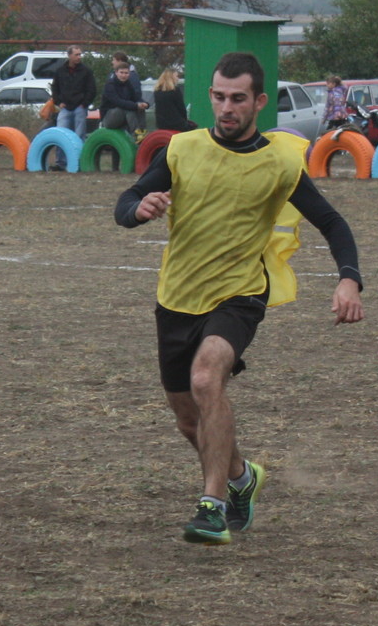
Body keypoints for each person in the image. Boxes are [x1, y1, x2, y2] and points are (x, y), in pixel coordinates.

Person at [115, 51, 364, 545]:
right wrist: (139, 208)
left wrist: (349, 279)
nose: (227, 108)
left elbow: (331, 222)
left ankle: (212, 506)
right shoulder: (182, 148)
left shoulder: (280, 162)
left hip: (239, 294)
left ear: (259, 102)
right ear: (210, 97)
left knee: (206, 378)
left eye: (238, 99)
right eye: (220, 97)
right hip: (177, 296)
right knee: (189, 421)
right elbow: (126, 202)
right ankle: (241, 477)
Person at [49, 46, 98, 139]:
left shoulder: (86, 71)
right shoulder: (60, 71)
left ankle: (79, 149)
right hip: (65, 107)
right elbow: (55, 87)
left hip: (80, 107)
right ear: (69, 55)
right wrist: (58, 102)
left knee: (79, 134)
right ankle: (62, 149)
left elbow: (92, 89)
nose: (79, 57)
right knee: (61, 133)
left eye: (80, 54)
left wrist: (84, 104)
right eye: (76, 55)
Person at [100, 59, 148, 134]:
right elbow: (118, 102)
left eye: (126, 73)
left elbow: (136, 98)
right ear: (116, 73)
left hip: (122, 116)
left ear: (129, 74)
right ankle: (136, 132)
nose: (123, 75)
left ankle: (142, 131)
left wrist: (144, 104)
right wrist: (135, 105)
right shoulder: (110, 85)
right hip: (108, 118)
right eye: (121, 72)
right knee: (127, 108)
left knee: (139, 108)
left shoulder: (128, 84)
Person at [152, 64, 190, 131]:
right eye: (176, 76)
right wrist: (185, 121)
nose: (178, 79)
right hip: (176, 124)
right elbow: (181, 108)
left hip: (161, 124)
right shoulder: (175, 90)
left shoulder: (156, 91)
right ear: (171, 78)